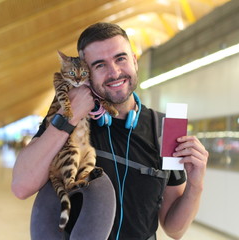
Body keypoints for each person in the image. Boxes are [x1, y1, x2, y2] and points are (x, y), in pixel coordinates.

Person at [11, 22, 208, 240]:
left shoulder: (165, 127)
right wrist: (71, 117)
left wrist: (196, 185)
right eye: (100, 65)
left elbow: (174, 229)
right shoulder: (66, 116)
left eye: (120, 58)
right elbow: (21, 186)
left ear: (134, 60)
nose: (114, 72)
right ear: (87, 72)